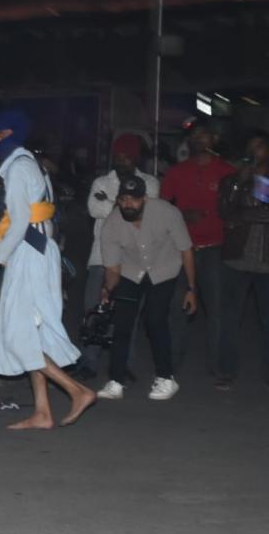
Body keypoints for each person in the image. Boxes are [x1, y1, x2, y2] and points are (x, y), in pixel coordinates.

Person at [0, 110, 94, 429]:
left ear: (15, 134)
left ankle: (77, 390)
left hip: (30, 255)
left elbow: (18, 222)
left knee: (17, 334)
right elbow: (26, 219)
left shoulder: (18, 168)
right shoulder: (30, 165)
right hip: (36, 251)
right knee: (33, 332)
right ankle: (43, 411)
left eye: (2, 134)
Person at [95, 176, 196, 401]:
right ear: (118, 199)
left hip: (164, 269)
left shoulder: (168, 212)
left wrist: (191, 288)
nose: (128, 204)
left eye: (134, 199)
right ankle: (116, 380)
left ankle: (165, 377)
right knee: (122, 322)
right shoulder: (112, 224)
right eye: (123, 199)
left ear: (145, 199)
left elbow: (186, 250)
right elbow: (112, 268)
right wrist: (107, 290)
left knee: (155, 319)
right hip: (131, 271)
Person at [79, 134, 161, 379]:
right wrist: (126, 203)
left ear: (135, 157)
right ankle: (88, 362)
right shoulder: (102, 181)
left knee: (128, 316)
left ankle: (123, 364)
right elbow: (95, 209)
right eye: (117, 156)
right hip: (101, 257)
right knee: (94, 311)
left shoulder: (150, 182)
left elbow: (145, 214)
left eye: (126, 156)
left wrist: (115, 204)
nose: (121, 160)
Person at [160, 118, 235, 379]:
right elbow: (162, 209)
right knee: (176, 309)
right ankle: (170, 366)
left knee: (216, 310)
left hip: (215, 249)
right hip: (182, 250)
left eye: (205, 135)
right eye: (195, 136)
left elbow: (255, 201)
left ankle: (218, 366)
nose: (199, 140)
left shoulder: (227, 171)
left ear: (214, 140)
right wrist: (181, 214)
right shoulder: (177, 172)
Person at [216, 129, 269, 388]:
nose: (253, 151)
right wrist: (239, 181)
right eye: (250, 147)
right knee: (229, 318)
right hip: (237, 260)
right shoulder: (233, 181)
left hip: (266, 263)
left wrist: (245, 214)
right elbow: (224, 211)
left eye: (259, 146)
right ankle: (226, 371)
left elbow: (259, 212)